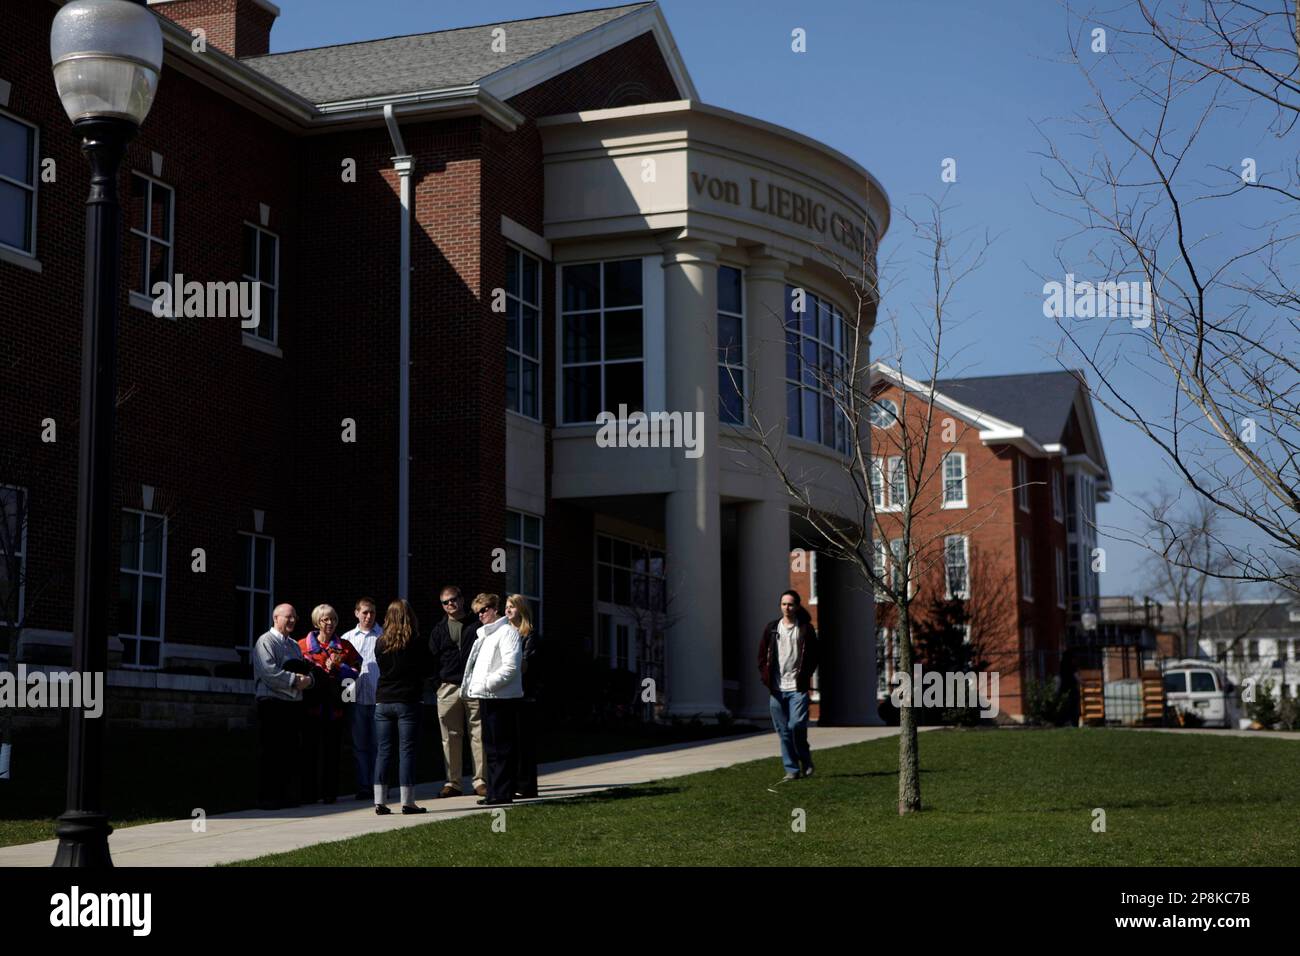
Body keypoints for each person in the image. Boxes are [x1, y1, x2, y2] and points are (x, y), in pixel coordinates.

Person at [374, 598, 436, 815]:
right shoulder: (417, 642)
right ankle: (407, 801)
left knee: (383, 751)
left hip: (383, 701)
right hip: (408, 701)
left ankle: (380, 801)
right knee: (406, 751)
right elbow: (429, 669)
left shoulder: (380, 642)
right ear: (409, 616)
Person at [462, 593, 523, 806]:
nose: (481, 615)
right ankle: (493, 792)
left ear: (494, 609)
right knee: (490, 748)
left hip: (501, 698)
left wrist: (487, 684)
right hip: (486, 697)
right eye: (477, 612)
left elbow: (511, 667)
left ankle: (503, 793)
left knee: (502, 747)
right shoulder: (485, 636)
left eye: (484, 610)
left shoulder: (507, 633)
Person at [428, 584, 488, 798]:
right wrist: (438, 685)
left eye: (454, 599)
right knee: (450, 737)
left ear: (462, 600)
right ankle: (453, 783)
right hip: (448, 688)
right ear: (443, 606)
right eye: (446, 602)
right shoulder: (439, 630)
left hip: (475, 686)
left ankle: (480, 781)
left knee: (478, 734)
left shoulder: (477, 625)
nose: (451, 604)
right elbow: (431, 661)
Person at [298, 603, 361, 804]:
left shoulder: (345, 647)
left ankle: (330, 794)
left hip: (336, 709)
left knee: (332, 753)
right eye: (325, 619)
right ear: (317, 621)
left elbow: (356, 674)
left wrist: (339, 667)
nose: (330, 623)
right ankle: (309, 794)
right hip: (311, 708)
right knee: (309, 751)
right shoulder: (302, 646)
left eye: (333, 619)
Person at [253, 604, 313, 810]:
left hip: (292, 707)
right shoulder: (265, 642)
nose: (292, 621)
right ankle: (268, 798)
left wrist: (309, 680)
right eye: (288, 617)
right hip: (271, 705)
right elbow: (269, 673)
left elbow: (306, 669)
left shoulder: (294, 646)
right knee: (271, 752)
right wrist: (296, 681)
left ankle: (287, 796)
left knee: (289, 752)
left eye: (294, 617)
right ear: (275, 618)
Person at [757, 589, 819, 781]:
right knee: (783, 732)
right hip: (776, 689)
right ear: (780, 606)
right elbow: (761, 656)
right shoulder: (772, 629)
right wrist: (765, 676)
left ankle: (806, 760)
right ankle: (791, 770)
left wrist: (805, 675)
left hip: (797, 689)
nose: (787, 607)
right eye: (784, 604)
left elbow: (815, 656)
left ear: (797, 606)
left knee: (796, 726)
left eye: (790, 604)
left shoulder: (805, 629)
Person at [342, 597, 383, 801]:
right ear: (356, 613)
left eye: (372, 613)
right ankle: (363, 786)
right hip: (355, 699)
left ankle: (379, 785)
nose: (368, 616)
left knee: (378, 745)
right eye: (365, 612)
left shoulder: (383, 636)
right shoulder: (346, 639)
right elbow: (342, 672)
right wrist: (345, 698)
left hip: (378, 700)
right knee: (359, 746)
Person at [505, 594, 541, 798]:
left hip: (525, 695)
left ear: (522, 610)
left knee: (523, 743)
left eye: (512, 606)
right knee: (510, 743)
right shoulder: (504, 633)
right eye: (507, 606)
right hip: (507, 695)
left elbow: (526, 665)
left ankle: (526, 787)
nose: (508, 610)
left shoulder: (530, 635)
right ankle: (512, 784)